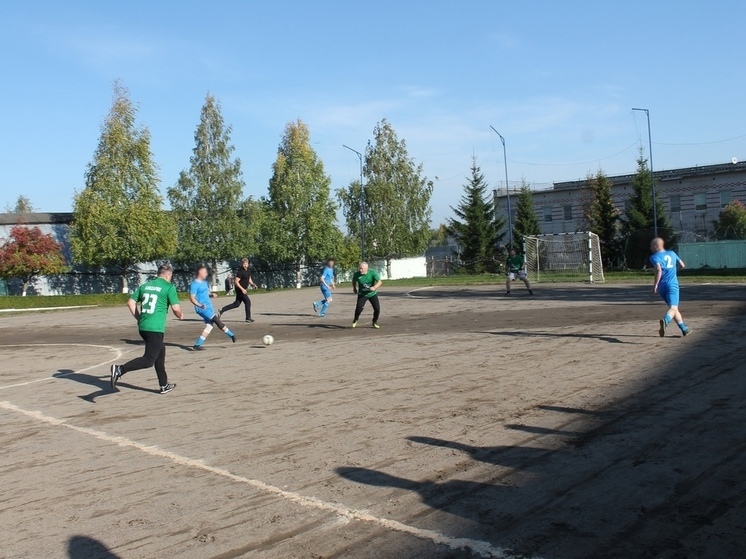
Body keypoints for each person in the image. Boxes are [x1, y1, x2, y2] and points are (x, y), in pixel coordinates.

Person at [110, 263, 183, 394]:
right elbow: (176, 308)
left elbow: (130, 302)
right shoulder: (169, 287)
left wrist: (139, 318)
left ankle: (164, 385)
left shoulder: (145, 286)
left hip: (144, 326)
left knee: (160, 353)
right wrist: (180, 315)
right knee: (149, 359)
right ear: (168, 275)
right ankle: (120, 369)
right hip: (155, 328)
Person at [650, 237, 691, 337]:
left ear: (656, 246)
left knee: (673, 309)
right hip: (672, 285)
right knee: (673, 308)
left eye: (652, 245)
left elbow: (658, 270)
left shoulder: (654, 257)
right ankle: (665, 320)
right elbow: (682, 265)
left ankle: (684, 329)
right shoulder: (672, 253)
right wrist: (674, 271)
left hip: (661, 287)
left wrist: (655, 284)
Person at [189, 265, 237, 350]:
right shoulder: (194, 285)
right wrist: (200, 305)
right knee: (216, 320)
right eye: (204, 272)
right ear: (199, 272)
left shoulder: (204, 283)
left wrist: (211, 294)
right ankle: (231, 335)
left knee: (209, 326)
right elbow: (192, 298)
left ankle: (197, 345)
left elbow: (206, 292)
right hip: (202, 308)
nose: (206, 274)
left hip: (209, 306)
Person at [219, 258, 257, 322]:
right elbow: (236, 282)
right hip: (239, 290)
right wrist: (242, 289)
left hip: (243, 289)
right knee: (248, 302)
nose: (245, 265)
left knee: (236, 304)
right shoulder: (240, 272)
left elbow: (249, 279)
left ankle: (222, 310)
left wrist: (253, 284)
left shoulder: (248, 271)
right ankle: (248, 318)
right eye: (244, 264)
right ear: (242, 264)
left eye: (246, 264)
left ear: (248, 264)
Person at [352, 261, 382, 329]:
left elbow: (380, 282)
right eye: (359, 268)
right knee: (359, 309)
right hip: (362, 294)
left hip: (372, 294)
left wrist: (374, 287)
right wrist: (354, 288)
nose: (360, 270)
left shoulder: (372, 273)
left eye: (362, 268)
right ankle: (355, 319)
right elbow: (354, 281)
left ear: (366, 268)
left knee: (377, 309)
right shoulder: (357, 274)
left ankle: (374, 322)